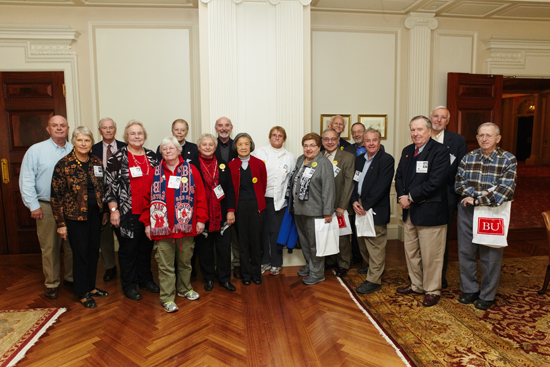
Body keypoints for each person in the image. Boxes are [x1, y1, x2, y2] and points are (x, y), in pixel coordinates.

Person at [140, 136, 208, 313]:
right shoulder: (154, 173)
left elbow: (200, 196)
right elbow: (146, 201)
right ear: (161, 152)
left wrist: (201, 219)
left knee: (186, 263)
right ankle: (168, 298)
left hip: (186, 228)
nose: (168, 151)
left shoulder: (191, 170)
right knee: (165, 266)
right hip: (162, 229)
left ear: (179, 150)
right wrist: (148, 224)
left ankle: (185, 289)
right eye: (164, 149)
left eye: (172, 148)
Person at [455, 122, 517, 311]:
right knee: (466, 252)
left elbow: (505, 190)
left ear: (497, 139)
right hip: (467, 211)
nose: (484, 139)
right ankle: (470, 289)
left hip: (493, 213)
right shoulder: (468, 157)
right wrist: (479, 195)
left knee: (490, 255)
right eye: (481, 135)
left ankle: (487, 295)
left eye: (489, 135)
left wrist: (477, 199)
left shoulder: (508, 160)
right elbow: (459, 184)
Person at [51, 126, 109, 308]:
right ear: (74, 142)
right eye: (80, 140)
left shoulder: (96, 161)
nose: (84, 144)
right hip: (74, 217)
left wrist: (105, 211)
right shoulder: (64, 164)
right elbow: (56, 196)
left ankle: (91, 287)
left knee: (93, 252)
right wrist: (60, 223)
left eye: (87, 140)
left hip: (95, 215)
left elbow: (102, 188)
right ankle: (82, 292)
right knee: (81, 253)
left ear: (92, 143)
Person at [394, 115, 449, 307]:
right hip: (409, 212)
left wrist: (410, 197)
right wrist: (402, 196)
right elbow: (399, 176)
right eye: (413, 130)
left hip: (430, 212)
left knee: (431, 254)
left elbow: (435, 182)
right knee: (412, 252)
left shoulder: (440, 151)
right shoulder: (408, 151)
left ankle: (432, 289)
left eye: (420, 130)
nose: (415, 134)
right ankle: (416, 284)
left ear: (429, 131)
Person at [19, 115, 73, 300]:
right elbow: (26, 179)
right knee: (50, 246)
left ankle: (71, 278)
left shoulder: (75, 149)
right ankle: (51, 283)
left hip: (71, 206)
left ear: (67, 128)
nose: (59, 128)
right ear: (48, 129)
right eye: (54, 125)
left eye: (62, 125)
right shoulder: (36, 151)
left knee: (72, 245)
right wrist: (33, 205)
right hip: (46, 205)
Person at [105, 120, 160, 301]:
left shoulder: (152, 157)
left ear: (144, 136)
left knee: (146, 249)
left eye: (140, 133)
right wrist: (113, 210)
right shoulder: (117, 158)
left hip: (150, 213)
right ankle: (129, 284)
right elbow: (109, 187)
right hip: (127, 213)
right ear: (126, 137)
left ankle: (145, 280)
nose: (137, 136)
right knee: (129, 250)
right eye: (132, 133)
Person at [350, 128, 394, 294]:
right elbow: (354, 183)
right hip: (359, 205)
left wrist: (365, 206)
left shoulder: (386, 160)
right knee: (362, 240)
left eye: (374, 140)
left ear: (379, 141)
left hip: (374, 207)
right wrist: (354, 201)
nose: (370, 143)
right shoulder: (360, 160)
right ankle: (370, 266)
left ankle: (374, 280)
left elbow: (381, 187)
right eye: (367, 140)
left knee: (375, 244)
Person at [193, 133, 237, 292]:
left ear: (215, 146)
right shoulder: (192, 166)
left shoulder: (223, 165)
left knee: (224, 249)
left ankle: (224, 279)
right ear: (199, 147)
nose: (207, 147)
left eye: (210, 145)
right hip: (202, 215)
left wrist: (231, 211)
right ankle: (209, 278)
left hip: (222, 214)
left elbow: (230, 190)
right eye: (204, 144)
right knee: (205, 250)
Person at [290, 133, 335, 285]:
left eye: (312, 145)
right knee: (305, 241)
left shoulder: (324, 164)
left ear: (319, 147)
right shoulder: (300, 160)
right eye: (305, 145)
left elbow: (329, 189)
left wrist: (328, 212)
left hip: (315, 211)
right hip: (299, 209)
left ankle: (317, 273)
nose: (308, 149)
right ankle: (310, 266)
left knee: (315, 244)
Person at [429, 106, 467, 289]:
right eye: (435, 116)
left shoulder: (457, 140)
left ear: (447, 121)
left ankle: (439, 277)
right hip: (424, 196)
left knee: (442, 237)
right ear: (430, 118)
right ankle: (423, 273)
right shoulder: (422, 136)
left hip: (447, 196)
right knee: (424, 236)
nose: (438, 120)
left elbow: (461, 169)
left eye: (442, 117)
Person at [254, 126, 296, 276]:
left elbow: (292, 179)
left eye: (280, 135)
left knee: (276, 232)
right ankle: (264, 261)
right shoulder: (259, 152)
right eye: (274, 135)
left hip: (279, 200)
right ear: (269, 137)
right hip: (261, 198)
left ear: (284, 139)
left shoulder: (289, 157)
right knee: (262, 232)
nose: (277, 137)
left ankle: (276, 263)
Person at [91, 117, 127, 282]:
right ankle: (110, 268)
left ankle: (126, 268)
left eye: (110, 127)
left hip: (123, 199)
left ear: (115, 129)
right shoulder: (92, 149)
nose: (108, 130)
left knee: (124, 237)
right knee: (105, 237)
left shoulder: (125, 148)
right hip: (100, 199)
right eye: (104, 128)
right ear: (100, 131)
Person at [228, 133, 267, 285]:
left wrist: (257, 203)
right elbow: (230, 189)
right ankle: (245, 275)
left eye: (246, 144)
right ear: (235, 147)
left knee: (256, 242)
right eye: (240, 144)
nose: (243, 147)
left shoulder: (259, 164)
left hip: (257, 207)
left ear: (251, 145)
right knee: (242, 242)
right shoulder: (231, 165)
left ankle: (256, 274)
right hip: (239, 208)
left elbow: (263, 186)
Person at [321, 128, 354, 277]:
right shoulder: (319, 156)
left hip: (340, 204)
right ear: (322, 141)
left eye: (333, 139)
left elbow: (349, 184)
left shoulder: (347, 157)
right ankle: (330, 260)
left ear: (338, 140)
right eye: (326, 139)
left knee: (342, 237)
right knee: (326, 234)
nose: (330, 142)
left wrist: (343, 206)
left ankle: (343, 263)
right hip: (323, 205)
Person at [214, 116, 241, 279]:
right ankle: (218, 266)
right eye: (220, 126)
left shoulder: (238, 146)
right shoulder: (210, 145)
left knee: (236, 234)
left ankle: (237, 264)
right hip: (216, 199)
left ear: (231, 128)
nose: (223, 128)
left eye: (226, 126)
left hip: (236, 195)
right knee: (218, 234)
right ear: (216, 128)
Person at [344, 122, 367, 266]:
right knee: (353, 227)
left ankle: (369, 260)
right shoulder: (347, 149)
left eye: (359, 131)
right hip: (352, 193)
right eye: (354, 132)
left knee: (368, 228)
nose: (357, 134)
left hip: (369, 194)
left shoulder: (376, 147)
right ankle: (357, 256)